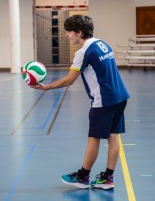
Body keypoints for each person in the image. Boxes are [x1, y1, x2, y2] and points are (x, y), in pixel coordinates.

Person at [29, 15, 130, 190]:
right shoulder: (102, 43)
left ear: (79, 32)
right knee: (113, 136)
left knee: (94, 138)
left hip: (104, 100)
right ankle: (107, 178)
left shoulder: (83, 52)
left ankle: (82, 176)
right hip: (120, 96)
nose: (67, 35)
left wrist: (46, 88)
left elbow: (69, 80)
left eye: (69, 32)